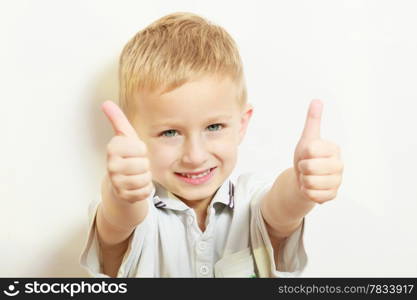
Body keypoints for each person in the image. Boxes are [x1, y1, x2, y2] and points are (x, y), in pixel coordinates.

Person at [80, 12, 343, 278]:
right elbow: (120, 216)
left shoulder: (251, 201)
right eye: (170, 132)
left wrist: (301, 186)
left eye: (214, 127)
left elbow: (282, 209)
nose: (195, 156)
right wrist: (123, 190)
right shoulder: (138, 210)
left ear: (241, 124)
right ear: (135, 136)